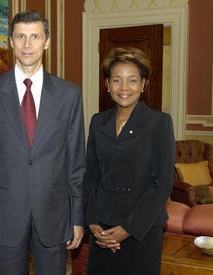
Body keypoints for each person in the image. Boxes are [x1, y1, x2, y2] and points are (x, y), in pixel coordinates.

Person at [0, 10, 85, 275]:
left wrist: (77, 218)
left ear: (46, 41)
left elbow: (76, 163)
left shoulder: (69, 95)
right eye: (20, 36)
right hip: (5, 213)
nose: (27, 44)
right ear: (11, 41)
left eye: (35, 36)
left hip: (55, 214)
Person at [83, 47, 175, 275]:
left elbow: (162, 184)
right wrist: (92, 223)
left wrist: (128, 229)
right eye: (117, 80)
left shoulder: (159, 123)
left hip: (141, 228)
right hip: (101, 228)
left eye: (132, 80)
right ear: (107, 85)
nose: (124, 88)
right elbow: (91, 177)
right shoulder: (97, 122)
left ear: (143, 84)